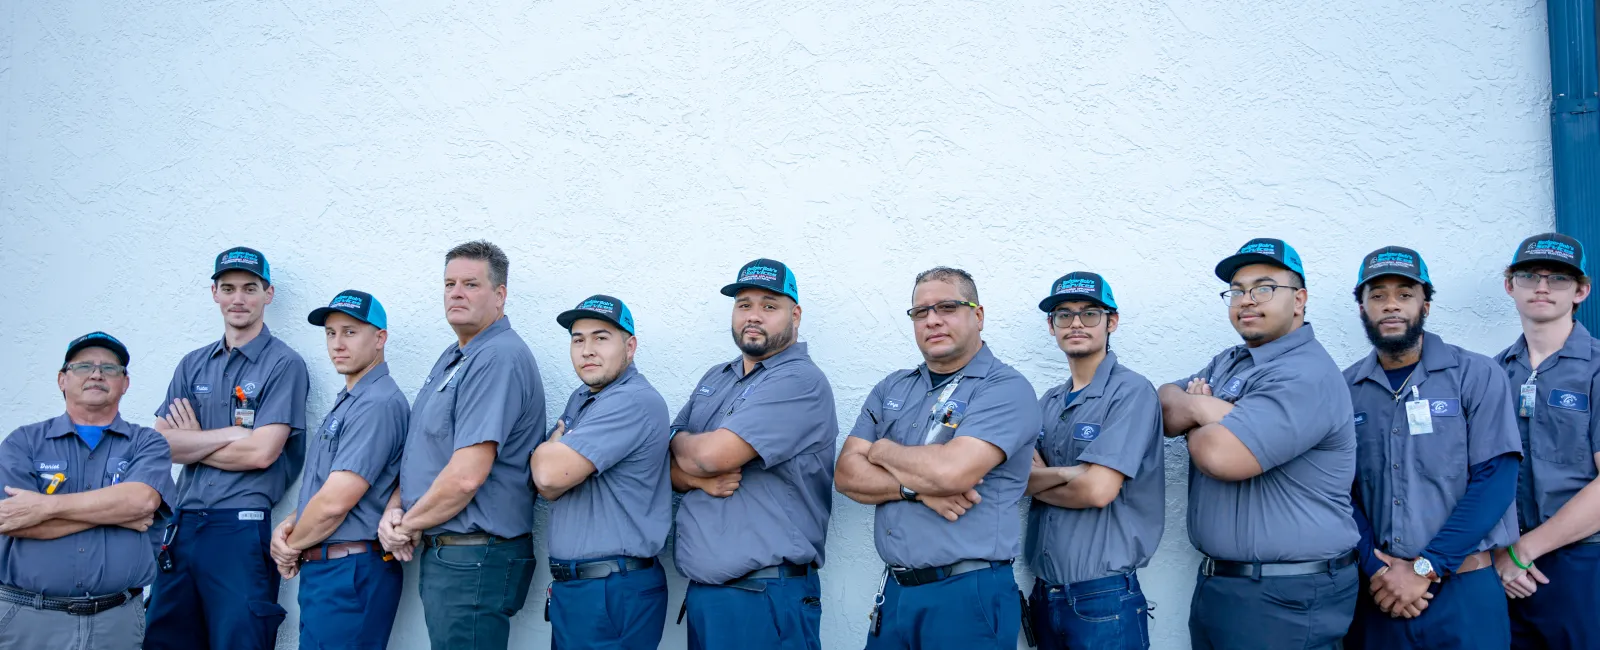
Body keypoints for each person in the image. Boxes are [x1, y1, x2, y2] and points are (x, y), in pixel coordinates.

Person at [1158, 238, 1359, 650]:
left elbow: (1220, 455)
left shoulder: (1305, 373)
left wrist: (1199, 413)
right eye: (1237, 290)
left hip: (1286, 596)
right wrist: (1212, 411)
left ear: (1299, 300)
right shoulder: (1230, 360)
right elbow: (1164, 405)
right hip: (1228, 586)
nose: (1246, 300)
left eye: (1264, 288)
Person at [835, 266, 1040, 650]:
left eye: (947, 307)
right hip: (895, 592)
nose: (932, 320)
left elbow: (953, 472)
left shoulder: (1005, 388)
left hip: (967, 594)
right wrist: (914, 490)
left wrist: (880, 450)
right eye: (920, 311)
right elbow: (846, 473)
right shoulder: (892, 387)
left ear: (977, 315)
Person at [1341, 247, 1519, 648]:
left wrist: (1426, 567)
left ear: (1426, 304)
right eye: (1377, 295)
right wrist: (1375, 566)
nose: (1391, 306)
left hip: (1465, 592)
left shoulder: (1475, 374)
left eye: (1405, 294)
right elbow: (1337, 490)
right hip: (1380, 594)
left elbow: (1497, 479)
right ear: (1362, 308)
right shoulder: (1344, 390)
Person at [380, 240, 544, 650]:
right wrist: (394, 508)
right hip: (452, 553)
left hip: (474, 558)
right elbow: (427, 453)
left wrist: (406, 524)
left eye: (471, 284)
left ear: (500, 295)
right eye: (449, 283)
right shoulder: (454, 357)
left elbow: (467, 475)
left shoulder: (498, 357)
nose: (456, 292)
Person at [145, 246, 310, 650]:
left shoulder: (283, 364)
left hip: (239, 527)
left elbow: (261, 454)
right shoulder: (192, 364)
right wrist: (228, 435)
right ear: (214, 293)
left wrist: (194, 439)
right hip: (181, 526)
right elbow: (160, 444)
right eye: (229, 288)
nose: (239, 299)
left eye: (250, 288)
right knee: (165, 640)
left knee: (239, 640)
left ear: (267, 294)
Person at [669, 258, 837, 650]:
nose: (753, 316)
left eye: (769, 305)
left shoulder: (800, 380)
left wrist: (683, 444)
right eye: (744, 304)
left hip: (764, 596)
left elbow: (711, 456)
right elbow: (664, 464)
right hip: (708, 597)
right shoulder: (717, 377)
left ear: (795, 314)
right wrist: (693, 474)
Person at [0, 332, 174, 648]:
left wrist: (44, 506)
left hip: (116, 622)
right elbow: (13, 520)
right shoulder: (22, 442)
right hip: (29, 619)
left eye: (110, 368)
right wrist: (117, 514)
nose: (96, 374)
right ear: (61, 380)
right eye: (83, 366)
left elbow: (141, 501)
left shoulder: (146, 443)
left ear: (125, 383)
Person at [1023, 272, 1164, 649]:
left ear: (1111, 322)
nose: (1076, 324)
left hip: (1103, 599)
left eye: (1089, 313)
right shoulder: (1048, 402)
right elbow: (1018, 479)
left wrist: (1045, 480)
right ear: (1051, 326)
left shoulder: (1131, 391)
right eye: (1063, 315)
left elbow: (1097, 491)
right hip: (1045, 594)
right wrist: (1070, 473)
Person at [267, 290, 408, 650]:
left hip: (350, 573)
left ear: (380, 339)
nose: (337, 343)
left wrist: (291, 547)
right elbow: (325, 490)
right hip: (333, 571)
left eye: (350, 331)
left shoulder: (377, 403)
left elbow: (335, 502)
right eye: (330, 333)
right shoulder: (353, 399)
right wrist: (294, 522)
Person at [530, 295, 671, 650]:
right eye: (578, 339)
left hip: (611, 589)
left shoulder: (631, 400)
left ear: (630, 346)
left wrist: (550, 448)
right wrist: (553, 455)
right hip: (580, 590)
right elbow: (551, 482)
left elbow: (548, 478)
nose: (587, 350)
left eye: (601, 337)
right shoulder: (584, 397)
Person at [1492, 232, 1600, 650]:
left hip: (1582, 564)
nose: (1541, 286)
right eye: (1529, 276)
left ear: (1581, 291)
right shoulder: (1491, 374)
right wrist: (1504, 556)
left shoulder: (1595, 370)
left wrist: (1522, 551)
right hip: (1505, 570)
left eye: (1558, 279)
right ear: (1509, 286)